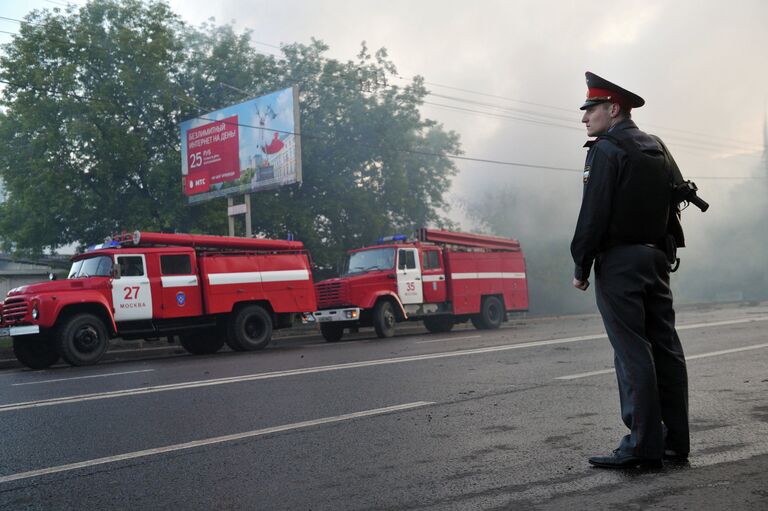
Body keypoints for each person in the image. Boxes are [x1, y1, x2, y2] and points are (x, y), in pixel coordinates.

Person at [570, 72, 690, 469]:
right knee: (667, 350)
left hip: (620, 262)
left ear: (613, 109)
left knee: (632, 352)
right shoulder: (656, 145)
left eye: (591, 109)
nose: (585, 118)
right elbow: (676, 199)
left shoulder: (606, 150)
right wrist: (664, 250)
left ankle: (641, 447)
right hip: (656, 259)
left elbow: (595, 210)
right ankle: (675, 443)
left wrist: (581, 262)